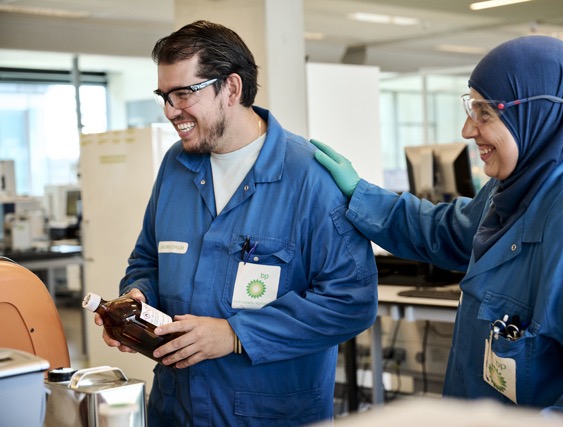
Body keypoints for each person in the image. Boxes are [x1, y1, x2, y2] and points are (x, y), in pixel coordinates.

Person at [312, 35, 563, 422]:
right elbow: (447, 230)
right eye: (472, 108)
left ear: (538, 115)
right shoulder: (514, 190)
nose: (468, 130)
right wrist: (360, 195)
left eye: (485, 112)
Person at [93, 20, 378, 426]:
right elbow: (148, 260)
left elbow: (351, 301)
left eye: (183, 94)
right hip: (176, 409)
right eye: (164, 96)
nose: (171, 111)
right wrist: (137, 298)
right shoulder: (176, 166)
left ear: (231, 88)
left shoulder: (309, 178)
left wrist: (234, 335)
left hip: (268, 413)